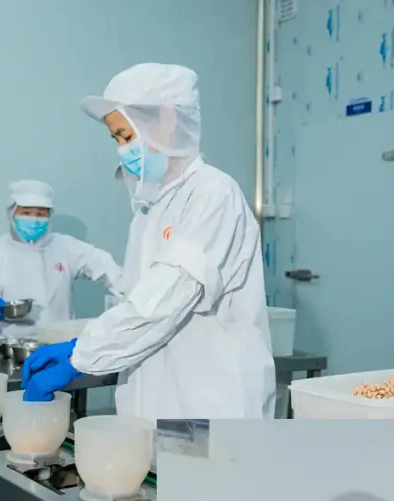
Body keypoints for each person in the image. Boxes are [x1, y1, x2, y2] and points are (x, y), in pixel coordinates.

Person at [20, 63, 276, 417]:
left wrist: (82, 354)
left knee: (198, 473)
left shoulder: (212, 194)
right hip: (158, 404)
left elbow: (163, 302)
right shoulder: (149, 211)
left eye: (126, 136)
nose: (122, 150)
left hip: (210, 406)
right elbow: (138, 302)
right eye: (117, 140)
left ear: (167, 121)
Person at [0, 179, 123, 342]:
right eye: (26, 213)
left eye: (41, 213)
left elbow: (103, 265)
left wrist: (132, 297)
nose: (34, 219)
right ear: (12, 213)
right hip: (12, 350)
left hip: (59, 345)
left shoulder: (63, 246)